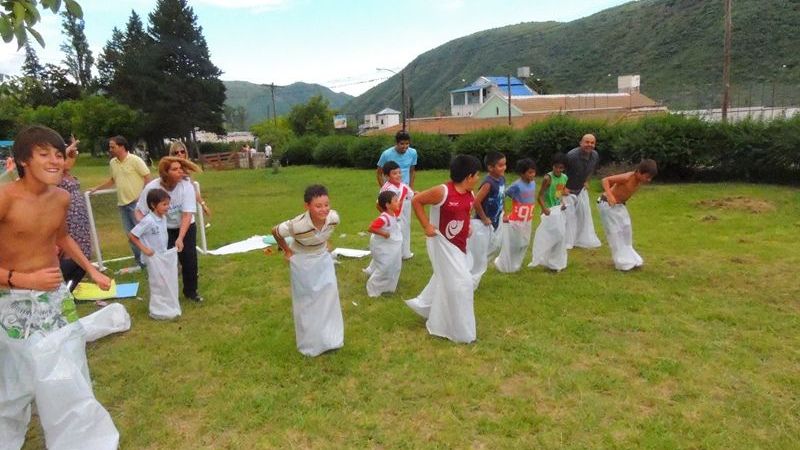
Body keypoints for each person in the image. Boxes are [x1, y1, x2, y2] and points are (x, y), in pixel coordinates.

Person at [0, 125, 118, 449]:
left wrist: (91, 270)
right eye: (44, 154)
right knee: (17, 380)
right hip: (13, 301)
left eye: (58, 153)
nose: (55, 160)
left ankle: (80, 439)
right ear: (23, 160)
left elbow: (61, 236)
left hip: (55, 298)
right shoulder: (4, 198)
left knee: (69, 367)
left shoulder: (62, 196)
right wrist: (21, 279)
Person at [406, 155, 480, 344]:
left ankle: (426, 307)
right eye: (477, 175)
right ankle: (461, 332)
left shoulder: (470, 194)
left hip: (460, 246)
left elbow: (464, 214)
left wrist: (468, 227)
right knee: (462, 285)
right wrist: (426, 226)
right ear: (468, 176)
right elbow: (417, 201)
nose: (478, 178)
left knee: (446, 279)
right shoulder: (443, 191)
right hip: (442, 244)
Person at [272, 184, 344, 357]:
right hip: (302, 261)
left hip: (323, 259)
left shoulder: (333, 218)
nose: (324, 209)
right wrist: (287, 250)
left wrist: (323, 242)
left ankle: (331, 339)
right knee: (307, 300)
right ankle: (311, 344)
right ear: (307, 206)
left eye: (326, 204)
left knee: (329, 296)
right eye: (318, 206)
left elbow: (325, 233)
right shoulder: (296, 225)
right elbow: (275, 231)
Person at [135, 157, 204, 303]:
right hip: (163, 229)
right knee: (164, 261)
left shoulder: (186, 187)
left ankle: (191, 292)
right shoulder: (152, 188)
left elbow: (187, 214)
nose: (180, 171)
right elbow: (139, 211)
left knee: (189, 259)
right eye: (174, 169)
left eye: (180, 168)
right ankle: (165, 295)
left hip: (186, 226)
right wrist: (149, 226)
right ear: (165, 173)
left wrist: (180, 238)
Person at [89, 135, 151, 265]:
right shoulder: (113, 163)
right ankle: (140, 262)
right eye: (110, 147)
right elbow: (112, 180)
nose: (110, 149)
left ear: (122, 146)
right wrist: (97, 188)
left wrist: (141, 197)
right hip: (122, 205)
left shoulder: (135, 160)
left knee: (143, 233)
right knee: (131, 235)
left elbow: (147, 177)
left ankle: (150, 259)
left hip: (136, 204)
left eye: (113, 146)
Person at [130, 188, 181, 320]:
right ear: (153, 205)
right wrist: (145, 249)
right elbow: (133, 235)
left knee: (164, 281)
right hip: (152, 258)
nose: (167, 207)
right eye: (164, 204)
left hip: (161, 256)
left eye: (168, 204)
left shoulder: (163, 218)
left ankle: (166, 305)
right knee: (157, 283)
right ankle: (157, 310)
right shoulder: (148, 221)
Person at [598, 159, 658, 271]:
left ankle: (631, 259)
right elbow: (605, 180)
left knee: (626, 230)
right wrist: (610, 195)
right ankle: (622, 262)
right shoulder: (627, 177)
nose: (648, 180)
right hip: (607, 204)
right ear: (639, 172)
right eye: (647, 177)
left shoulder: (638, 181)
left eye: (650, 178)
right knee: (615, 232)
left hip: (619, 206)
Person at [57, 137, 94, 291]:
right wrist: (64, 152)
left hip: (80, 221)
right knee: (71, 256)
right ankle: (59, 287)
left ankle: (68, 291)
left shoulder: (68, 174)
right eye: (67, 157)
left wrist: (71, 152)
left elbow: (71, 158)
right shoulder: (54, 177)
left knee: (84, 255)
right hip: (69, 220)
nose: (71, 160)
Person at [467, 151, 506, 288]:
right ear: (490, 168)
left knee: (495, 246)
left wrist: (503, 212)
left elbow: (502, 197)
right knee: (479, 252)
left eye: (504, 165)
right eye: (500, 165)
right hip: (482, 224)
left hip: (495, 221)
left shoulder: (502, 179)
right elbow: (476, 202)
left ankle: (477, 269)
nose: (504, 168)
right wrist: (484, 218)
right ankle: (470, 278)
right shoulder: (488, 183)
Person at [376, 130, 417, 259]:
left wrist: (410, 187)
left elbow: (412, 171)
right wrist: (385, 189)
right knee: (393, 224)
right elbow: (379, 172)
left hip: (404, 191)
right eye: (402, 144)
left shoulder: (413, 153)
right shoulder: (387, 154)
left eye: (407, 144)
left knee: (406, 224)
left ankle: (405, 252)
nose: (404, 147)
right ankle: (391, 252)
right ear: (396, 143)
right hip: (392, 194)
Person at [495, 158, 536, 273]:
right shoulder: (516, 185)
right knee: (515, 243)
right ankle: (503, 263)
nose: (532, 175)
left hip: (528, 219)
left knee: (524, 243)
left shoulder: (533, 183)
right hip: (517, 220)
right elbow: (502, 196)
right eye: (529, 172)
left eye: (534, 172)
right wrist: (504, 213)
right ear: (522, 173)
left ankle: (516, 264)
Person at [530, 152, 570, 271]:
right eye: (556, 167)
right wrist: (544, 208)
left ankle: (555, 262)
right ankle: (547, 260)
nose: (558, 169)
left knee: (560, 236)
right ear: (552, 166)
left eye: (561, 168)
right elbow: (540, 196)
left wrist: (562, 203)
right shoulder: (548, 178)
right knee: (549, 237)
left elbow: (559, 193)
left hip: (558, 210)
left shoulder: (564, 178)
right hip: (549, 211)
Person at [564, 134, 602, 249]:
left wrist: (586, 180)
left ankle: (578, 238)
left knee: (582, 215)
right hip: (566, 190)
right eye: (587, 142)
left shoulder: (595, 155)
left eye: (592, 143)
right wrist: (562, 188)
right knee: (567, 216)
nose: (589, 145)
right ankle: (565, 240)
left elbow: (591, 169)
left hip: (580, 190)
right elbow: (560, 172)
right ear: (581, 143)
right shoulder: (571, 156)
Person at [365, 190, 402, 297]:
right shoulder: (384, 218)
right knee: (385, 266)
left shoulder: (393, 214)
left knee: (394, 265)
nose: (398, 202)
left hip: (389, 245)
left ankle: (387, 286)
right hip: (381, 246)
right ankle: (373, 287)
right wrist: (383, 233)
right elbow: (371, 228)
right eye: (395, 201)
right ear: (387, 205)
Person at [378, 161, 414, 261]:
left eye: (399, 172)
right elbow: (379, 204)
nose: (398, 175)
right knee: (394, 236)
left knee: (405, 232)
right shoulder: (387, 188)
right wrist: (387, 216)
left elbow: (412, 195)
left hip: (404, 214)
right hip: (393, 217)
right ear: (387, 176)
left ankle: (405, 253)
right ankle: (391, 256)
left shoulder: (403, 185)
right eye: (394, 173)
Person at [169, 141, 211, 219]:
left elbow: (193, 189)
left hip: (185, 205)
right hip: (172, 206)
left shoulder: (187, 169)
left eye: (182, 151)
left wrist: (203, 204)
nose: (179, 154)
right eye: (176, 152)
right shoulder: (168, 167)